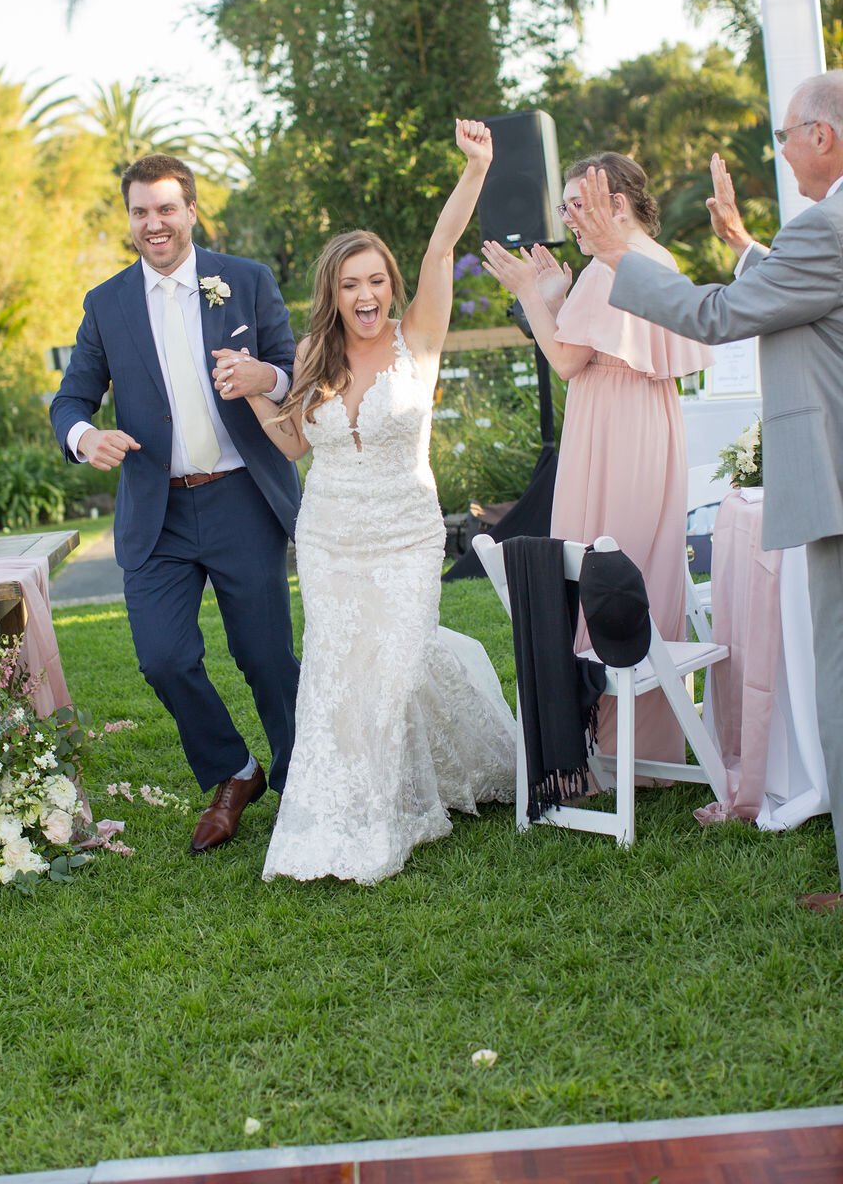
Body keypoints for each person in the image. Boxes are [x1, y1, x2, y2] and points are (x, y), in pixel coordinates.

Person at [577, 72, 843, 914]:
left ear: (824, 136)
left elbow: (722, 316)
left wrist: (618, 257)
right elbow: (796, 289)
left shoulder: (829, 227)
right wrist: (744, 240)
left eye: (786, 135)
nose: (783, 150)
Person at [244, 120, 517, 886]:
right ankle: (335, 822)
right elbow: (296, 446)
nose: (365, 295)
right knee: (339, 679)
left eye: (375, 281)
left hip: (403, 537)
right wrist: (254, 400)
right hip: (329, 539)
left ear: (391, 286)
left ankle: (395, 809)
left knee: (394, 671)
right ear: (333, 293)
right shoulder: (311, 354)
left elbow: (439, 249)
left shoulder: (418, 337)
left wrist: (477, 169)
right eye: (349, 283)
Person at [50, 153, 301, 855]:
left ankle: (303, 781)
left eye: (166, 208)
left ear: (191, 210)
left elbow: (293, 368)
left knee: (266, 658)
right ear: (128, 218)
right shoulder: (107, 303)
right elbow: (72, 396)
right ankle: (234, 769)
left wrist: (265, 375)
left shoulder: (245, 281)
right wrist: (83, 434)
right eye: (140, 210)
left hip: (240, 497)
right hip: (155, 510)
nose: (153, 222)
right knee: (161, 657)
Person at [482, 152, 712, 771]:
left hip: (609, 428)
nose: (569, 219)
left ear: (616, 200)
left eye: (577, 204)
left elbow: (564, 360)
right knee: (645, 560)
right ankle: (639, 746)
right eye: (565, 206)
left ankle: (607, 748)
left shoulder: (610, 267)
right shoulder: (653, 261)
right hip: (646, 424)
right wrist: (557, 293)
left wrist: (531, 292)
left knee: (601, 564)